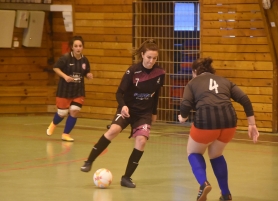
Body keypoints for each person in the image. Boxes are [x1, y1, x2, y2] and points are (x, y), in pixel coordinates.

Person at [80, 39, 165, 188]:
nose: (151, 61)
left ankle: (126, 178)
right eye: (149, 57)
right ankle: (89, 161)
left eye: (155, 58)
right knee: (114, 130)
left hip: (144, 113)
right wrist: (123, 106)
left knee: (142, 141)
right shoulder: (132, 71)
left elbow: (156, 93)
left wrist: (154, 112)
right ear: (142, 55)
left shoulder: (159, 73)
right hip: (128, 109)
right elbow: (119, 93)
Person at [178, 57, 259, 201]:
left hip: (206, 120)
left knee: (193, 152)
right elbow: (245, 99)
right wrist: (252, 124)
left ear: (195, 72)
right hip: (229, 121)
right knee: (216, 155)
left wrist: (182, 117)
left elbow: (185, 105)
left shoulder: (193, 82)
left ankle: (203, 183)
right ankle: (226, 194)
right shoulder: (224, 81)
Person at [46, 35, 93, 142]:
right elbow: (55, 68)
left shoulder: (85, 60)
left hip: (78, 90)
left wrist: (88, 75)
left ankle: (66, 134)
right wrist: (65, 76)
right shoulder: (65, 58)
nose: (78, 48)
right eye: (76, 46)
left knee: (75, 110)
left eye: (80, 46)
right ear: (72, 47)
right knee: (62, 113)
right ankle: (53, 124)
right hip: (64, 90)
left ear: (82, 47)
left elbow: (86, 72)